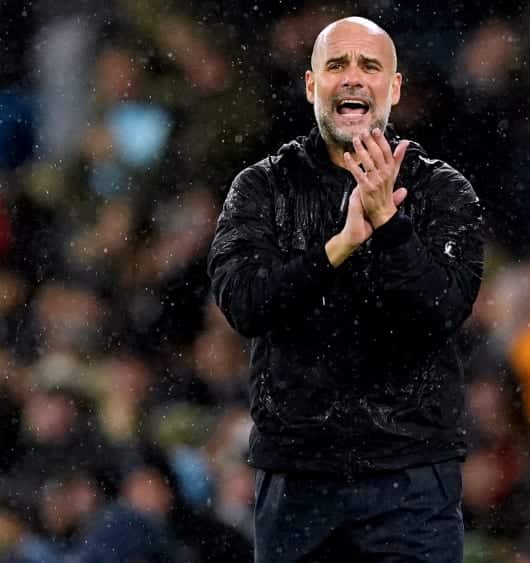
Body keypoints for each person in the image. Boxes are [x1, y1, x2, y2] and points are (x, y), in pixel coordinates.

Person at [207, 16, 484, 562]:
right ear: (312, 86)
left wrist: (390, 225)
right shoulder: (263, 187)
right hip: (298, 478)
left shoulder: (442, 190)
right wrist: (338, 247)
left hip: (411, 477)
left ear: (394, 88)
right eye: (337, 65)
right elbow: (244, 304)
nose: (352, 77)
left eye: (369, 66)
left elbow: (443, 310)